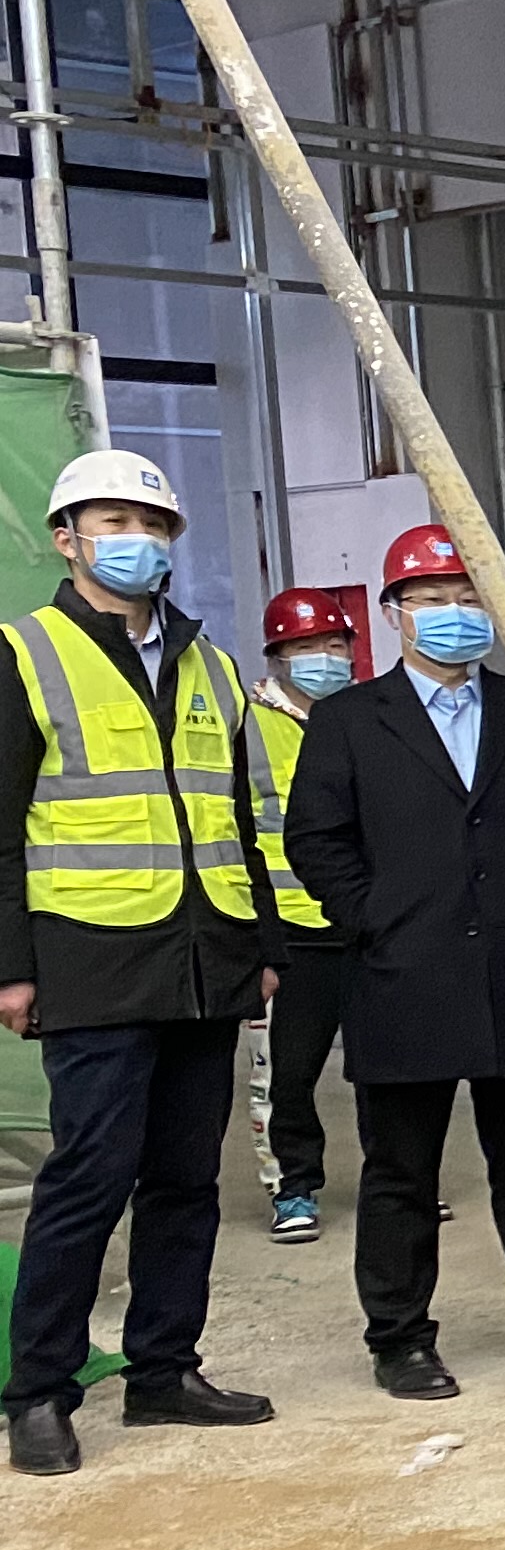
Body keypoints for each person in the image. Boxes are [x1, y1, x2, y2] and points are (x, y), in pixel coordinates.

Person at [284, 524, 505, 1395]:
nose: (452, 613)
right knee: (402, 1170)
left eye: (466, 596)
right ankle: (401, 1337)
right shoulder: (350, 722)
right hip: (406, 975)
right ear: (394, 614)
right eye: (431, 599)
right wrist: (373, 917)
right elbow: (316, 839)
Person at [0, 449, 279, 1476]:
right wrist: (11, 968)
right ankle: (39, 1391)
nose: (138, 540)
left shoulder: (212, 665)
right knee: (88, 1178)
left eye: (153, 525)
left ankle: (165, 1370)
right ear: (66, 539)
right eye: (113, 522)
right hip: (93, 956)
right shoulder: (23, 654)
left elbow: (240, 818)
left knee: (185, 1180)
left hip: (206, 955)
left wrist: (262, 947)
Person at [241, 588, 356, 1245]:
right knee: (287, 1074)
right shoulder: (248, 726)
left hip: (365, 921)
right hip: (289, 932)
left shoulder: (369, 716)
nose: (323, 657)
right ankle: (294, 1187)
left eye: (334, 644)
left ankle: (402, 1181)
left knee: (392, 1066)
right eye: (305, 647)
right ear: (278, 657)